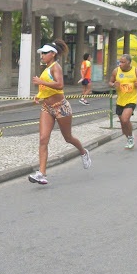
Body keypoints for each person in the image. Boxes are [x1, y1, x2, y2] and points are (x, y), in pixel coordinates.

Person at [28, 39, 91, 184]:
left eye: (44, 53)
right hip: (47, 108)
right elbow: (47, 88)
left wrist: (41, 82)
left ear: (53, 54)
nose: (42, 56)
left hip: (60, 107)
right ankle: (41, 173)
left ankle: (83, 152)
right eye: (41, 53)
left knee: (68, 138)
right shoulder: (46, 68)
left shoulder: (56, 67)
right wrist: (39, 95)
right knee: (43, 139)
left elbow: (60, 85)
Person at [109, 53, 137, 149]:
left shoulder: (136, 71)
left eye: (122, 62)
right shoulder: (116, 71)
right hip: (120, 100)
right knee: (123, 124)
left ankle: (130, 138)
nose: (120, 64)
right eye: (119, 62)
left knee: (125, 119)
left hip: (132, 99)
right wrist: (113, 85)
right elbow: (110, 82)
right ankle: (128, 136)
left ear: (129, 63)